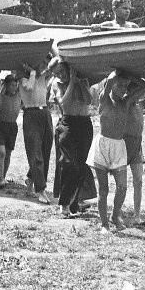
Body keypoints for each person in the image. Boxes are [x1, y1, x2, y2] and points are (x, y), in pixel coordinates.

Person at [88, 69, 145, 232]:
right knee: (103, 188)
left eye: (126, 86)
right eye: (120, 85)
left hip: (118, 146)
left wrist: (131, 75)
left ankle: (115, 215)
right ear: (113, 85)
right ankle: (104, 224)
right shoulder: (104, 100)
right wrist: (116, 71)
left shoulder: (127, 102)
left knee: (122, 186)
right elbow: (108, 84)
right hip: (102, 146)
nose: (124, 88)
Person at [51, 60, 96, 218]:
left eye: (62, 72)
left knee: (81, 164)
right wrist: (70, 82)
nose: (60, 76)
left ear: (69, 69)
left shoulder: (82, 81)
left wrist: (79, 83)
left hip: (84, 124)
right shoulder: (57, 85)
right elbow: (63, 102)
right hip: (68, 124)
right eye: (57, 74)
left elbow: (89, 101)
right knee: (68, 164)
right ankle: (64, 204)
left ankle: (74, 201)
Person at [121, 72, 145, 227]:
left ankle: (137, 215)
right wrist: (138, 76)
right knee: (121, 183)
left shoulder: (140, 104)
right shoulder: (126, 102)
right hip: (123, 144)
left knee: (139, 180)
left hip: (137, 145)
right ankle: (117, 212)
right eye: (135, 90)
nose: (139, 92)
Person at [20, 59, 55, 204]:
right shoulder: (22, 77)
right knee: (35, 152)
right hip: (31, 114)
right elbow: (29, 87)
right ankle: (40, 189)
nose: (44, 65)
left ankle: (30, 178)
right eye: (42, 62)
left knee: (45, 150)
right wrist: (32, 72)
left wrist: (51, 49)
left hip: (45, 113)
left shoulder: (44, 76)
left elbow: (57, 61)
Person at [0, 72, 22, 188]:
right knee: (2, 152)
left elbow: (22, 78)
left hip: (13, 127)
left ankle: (3, 177)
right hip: (1, 127)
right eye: (11, 85)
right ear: (6, 86)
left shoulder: (19, 96)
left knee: (8, 154)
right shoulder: (1, 97)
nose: (14, 87)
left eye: (15, 85)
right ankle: (1, 179)